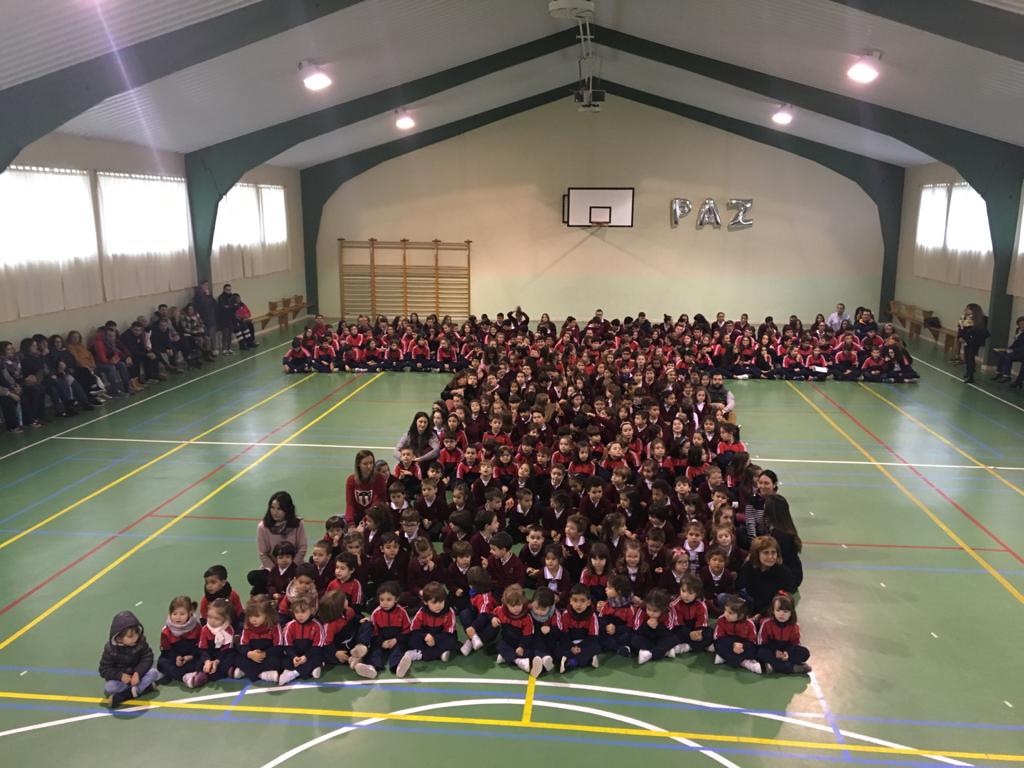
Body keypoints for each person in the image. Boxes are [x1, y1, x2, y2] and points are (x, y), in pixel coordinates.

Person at [249, 491, 308, 596]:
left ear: (287, 509)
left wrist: (291, 567)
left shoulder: (298, 524)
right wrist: (275, 571)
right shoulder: (263, 527)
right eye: (272, 508)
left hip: (294, 567)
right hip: (273, 569)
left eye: (279, 509)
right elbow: (263, 554)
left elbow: (302, 548)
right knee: (253, 576)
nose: (275, 512)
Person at [98, 610, 159, 707]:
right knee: (109, 687)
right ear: (119, 638)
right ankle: (145, 688)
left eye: (136, 633)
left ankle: (125, 695)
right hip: (123, 680)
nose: (135, 638)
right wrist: (120, 676)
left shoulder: (140, 641)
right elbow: (104, 670)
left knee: (154, 673)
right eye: (130, 636)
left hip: (138, 676)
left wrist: (138, 673)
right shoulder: (110, 649)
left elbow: (147, 657)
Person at [756, 593, 811, 674]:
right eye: (778, 610)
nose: (781, 614)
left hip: (786, 650)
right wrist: (775, 651)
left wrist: (787, 652)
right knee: (760, 652)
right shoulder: (766, 623)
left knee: (805, 653)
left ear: (791, 613)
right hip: (771, 649)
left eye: (785, 611)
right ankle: (792, 668)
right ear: (773, 611)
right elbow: (761, 643)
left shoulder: (794, 626)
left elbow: (795, 644)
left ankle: (773, 666)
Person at [157, 596, 201, 686]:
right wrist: (176, 657)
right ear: (170, 614)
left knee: (204, 660)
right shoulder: (166, 631)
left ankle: (191, 674)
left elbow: (200, 646)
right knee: (161, 663)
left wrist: (191, 656)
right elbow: (166, 651)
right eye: (175, 614)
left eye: (182, 614)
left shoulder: (196, 627)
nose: (178, 617)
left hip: (191, 657)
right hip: (175, 659)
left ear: (189, 613)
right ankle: (185, 676)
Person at [713, 595, 760, 673]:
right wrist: (732, 644)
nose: (726, 614)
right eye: (725, 610)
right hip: (728, 643)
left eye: (730, 613)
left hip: (743, 645)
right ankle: (744, 663)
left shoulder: (749, 624)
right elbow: (718, 637)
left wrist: (742, 646)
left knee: (754, 651)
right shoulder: (721, 620)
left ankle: (725, 657)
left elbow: (753, 641)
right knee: (718, 645)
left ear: (740, 616)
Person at [763, 495, 803, 590]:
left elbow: (774, 562)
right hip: (792, 572)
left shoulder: (780, 536)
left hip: (788, 578)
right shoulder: (785, 528)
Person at [346, 449, 389, 526]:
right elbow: (350, 505)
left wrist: (363, 523)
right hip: (357, 516)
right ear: (358, 464)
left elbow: (376, 503)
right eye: (365, 464)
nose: (369, 466)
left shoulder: (379, 478)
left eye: (371, 463)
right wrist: (351, 525)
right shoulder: (351, 480)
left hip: (375, 517)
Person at [957, 303, 989, 383]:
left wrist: (969, 339)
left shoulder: (982, 319)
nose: (966, 310)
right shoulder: (964, 318)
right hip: (966, 340)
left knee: (970, 357)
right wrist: (960, 337)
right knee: (967, 356)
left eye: (968, 309)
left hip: (974, 341)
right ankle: (968, 371)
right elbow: (960, 328)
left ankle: (971, 376)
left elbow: (981, 332)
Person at [993, 315, 1024, 386]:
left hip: (1021, 353)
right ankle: (999, 373)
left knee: (1008, 356)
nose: (1021, 326)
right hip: (1018, 352)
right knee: (1003, 353)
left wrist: (1013, 351)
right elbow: (1015, 344)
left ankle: (1007, 376)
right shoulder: (1018, 332)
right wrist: (1007, 349)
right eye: (1020, 324)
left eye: (1023, 324)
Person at [194, 280, 219, 355]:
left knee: (212, 334)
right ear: (201, 286)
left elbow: (214, 304)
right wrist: (207, 296)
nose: (206, 287)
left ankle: (214, 348)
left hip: (211, 317)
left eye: (207, 285)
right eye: (205, 285)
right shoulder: (198, 296)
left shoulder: (208, 295)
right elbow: (202, 305)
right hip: (203, 319)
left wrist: (209, 296)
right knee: (206, 336)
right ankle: (207, 351)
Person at [216, 284, 236, 355]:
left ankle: (229, 348)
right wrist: (230, 306)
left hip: (231, 318)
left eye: (230, 289)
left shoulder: (232, 296)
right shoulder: (221, 297)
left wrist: (229, 306)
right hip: (224, 319)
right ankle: (224, 349)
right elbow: (223, 307)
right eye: (227, 290)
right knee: (225, 334)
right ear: (224, 290)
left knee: (230, 334)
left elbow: (235, 306)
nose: (229, 291)